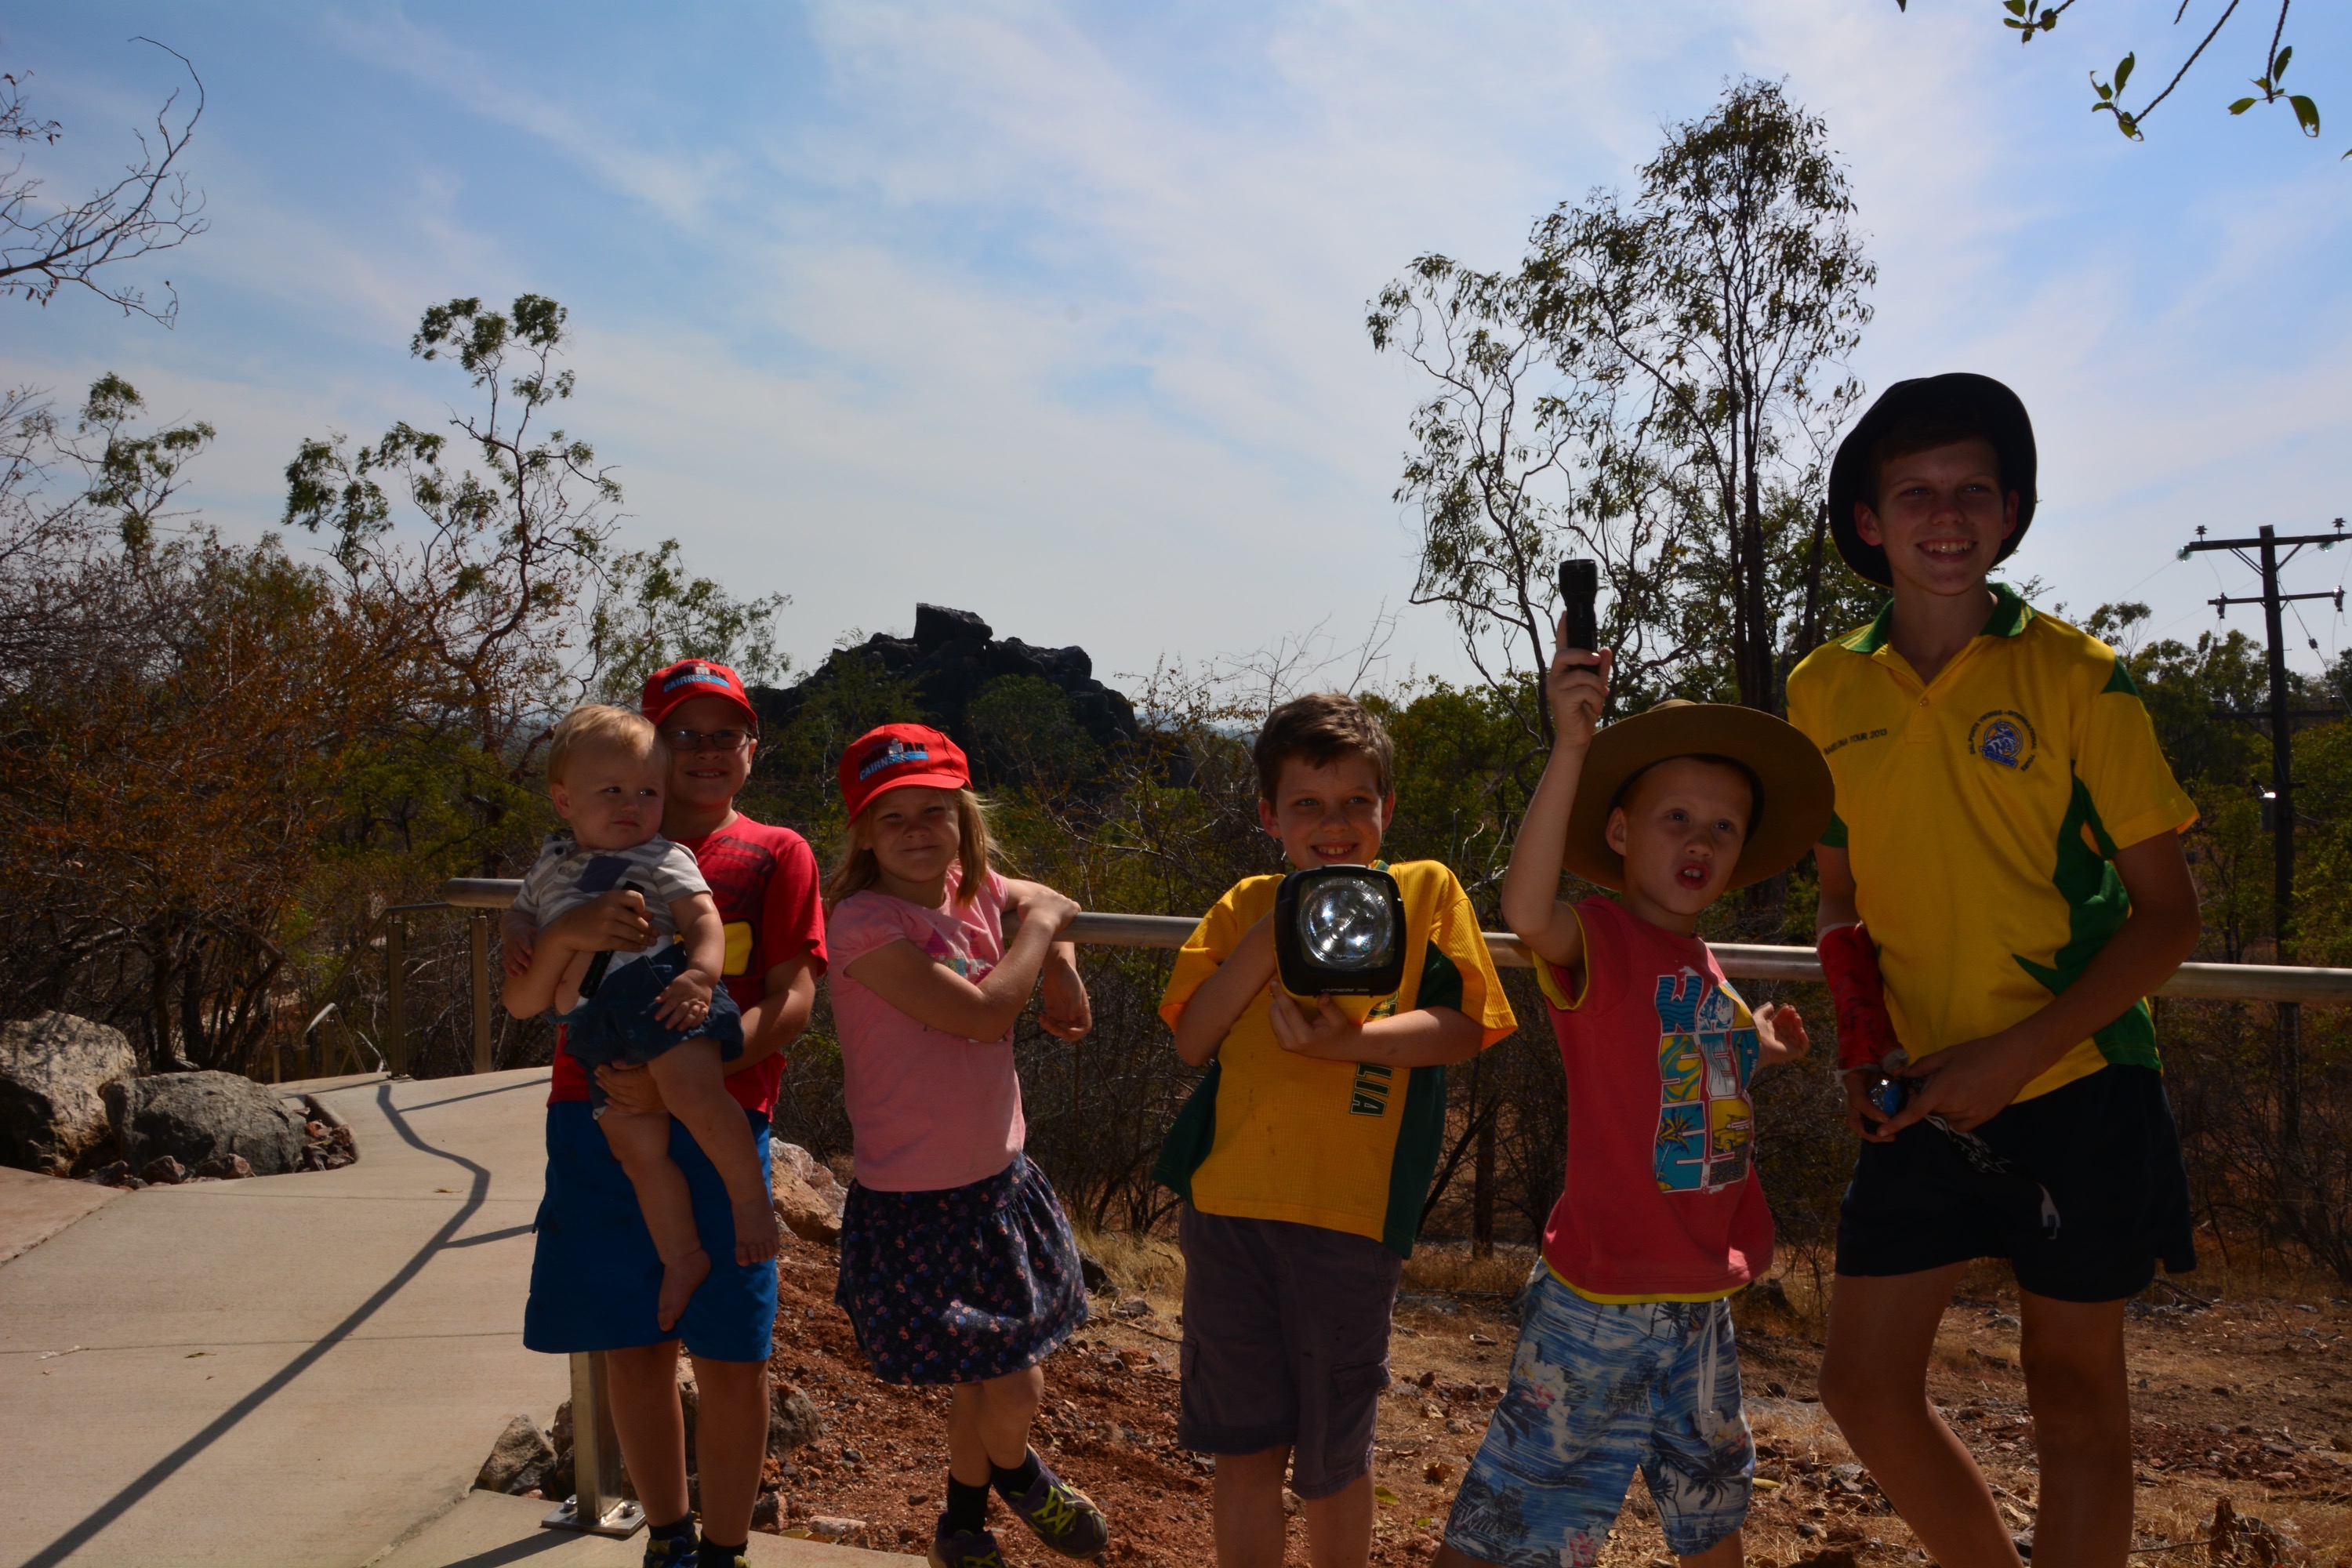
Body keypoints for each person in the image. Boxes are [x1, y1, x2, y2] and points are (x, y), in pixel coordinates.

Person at [1786, 374, 2204, 1568]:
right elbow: (1839, 898)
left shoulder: (2079, 675)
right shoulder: (1823, 689)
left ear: (2012, 511)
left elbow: (2168, 917)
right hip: (1919, 1089)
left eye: (1974, 488)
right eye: (1915, 492)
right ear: (1869, 521)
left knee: (2072, 1393)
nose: (1946, 514)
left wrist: (2014, 1056)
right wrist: (1861, 1042)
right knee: (1863, 1383)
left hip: (2079, 1078)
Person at [1438, 645, 1831, 1568]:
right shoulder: (1603, 939)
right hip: (1598, 1300)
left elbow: (1682, 1072)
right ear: (1619, 831)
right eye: (1676, 817)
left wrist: (1756, 1042)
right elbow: (1526, 909)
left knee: (1711, 1502)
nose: (1701, 840)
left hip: (1701, 1297)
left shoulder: (1706, 966)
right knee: (1518, 1509)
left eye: (1724, 826)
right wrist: (1571, 748)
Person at [1155, 692, 1519, 1568]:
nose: (1335, 823)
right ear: (1268, 815)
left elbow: (1467, 1026)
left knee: (1334, 1458)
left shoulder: (1424, 892)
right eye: (1308, 804)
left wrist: (1347, 1045)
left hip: (1351, 1220)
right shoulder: (1246, 904)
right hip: (1230, 1212)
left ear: (1387, 808)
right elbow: (1192, 1037)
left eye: (1358, 800)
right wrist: (1277, 929)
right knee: (1244, 1450)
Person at [515, 659, 828, 1568]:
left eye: (725, 733)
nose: (704, 750)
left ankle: (725, 1548)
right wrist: (562, 932)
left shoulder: (774, 852)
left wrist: (689, 1073)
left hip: (722, 1117)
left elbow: (794, 997)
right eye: (683, 732)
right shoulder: (569, 859)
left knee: (734, 1352)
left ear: (752, 749)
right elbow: (524, 981)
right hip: (593, 1118)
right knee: (632, 1343)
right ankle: (668, 1537)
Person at [822, 723, 1110, 1568]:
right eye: (893, 816)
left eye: (934, 811)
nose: (916, 830)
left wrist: (1058, 959)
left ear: (963, 820)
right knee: (1013, 1381)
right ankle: (1019, 1474)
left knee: (985, 1378)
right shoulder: (863, 922)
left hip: (997, 1181)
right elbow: (984, 1015)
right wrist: (1044, 930)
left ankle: (961, 1524)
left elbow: (1041, 899)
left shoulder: (969, 886)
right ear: (863, 834)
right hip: (916, 1200)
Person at [503, 703, 771, 1335]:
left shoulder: (661, 854)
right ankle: (683, 1255)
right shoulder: (550, 864)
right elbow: (522, 912)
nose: (632, 804)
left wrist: (701, 975)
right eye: (612, 791)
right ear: (565, 801)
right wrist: (516, 931)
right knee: (635, 1146)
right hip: (595, 1028)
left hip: (659, 992)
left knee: (694, 1093)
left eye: (648, 791)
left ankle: (750, 1201)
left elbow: (703, 920)